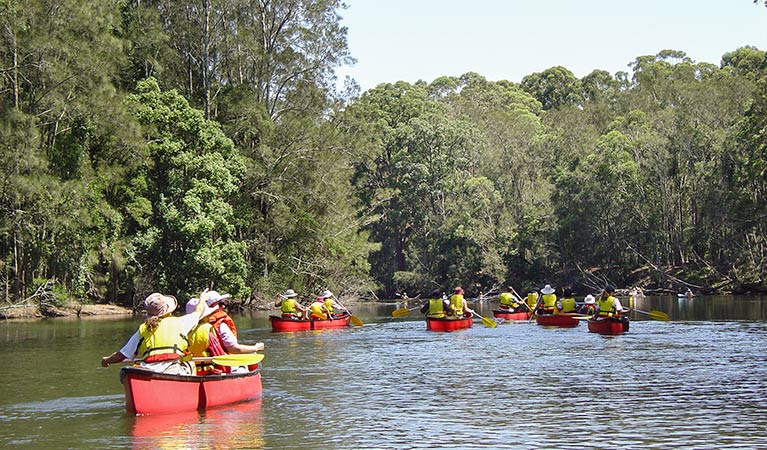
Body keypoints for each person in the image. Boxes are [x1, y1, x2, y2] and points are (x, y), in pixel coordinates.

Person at [101, 290, 207, 374]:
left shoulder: (143, 329)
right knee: (190, 363)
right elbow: (198, 311)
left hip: (147, 370)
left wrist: (106, 360)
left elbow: (121, 355)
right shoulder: (181, 322)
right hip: (173, 370)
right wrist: (202, 299)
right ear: (168, 310)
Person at [186, 290, 264, 374]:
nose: (223, 306)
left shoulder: (184, 328)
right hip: (216, 369)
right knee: (250, 356)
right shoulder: (218, 326)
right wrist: (256, 348)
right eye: (220, 304)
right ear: (210, 307)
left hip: (192, 370)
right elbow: (234, 349)